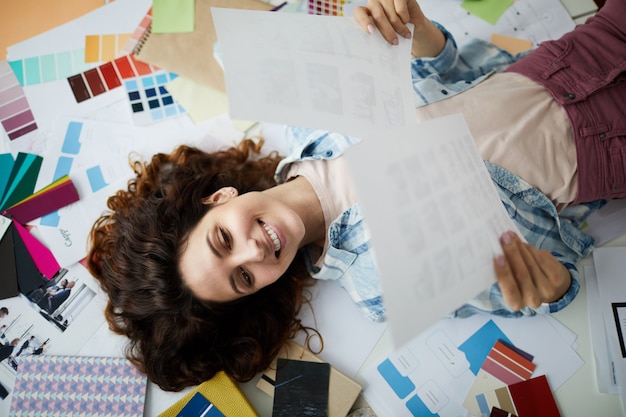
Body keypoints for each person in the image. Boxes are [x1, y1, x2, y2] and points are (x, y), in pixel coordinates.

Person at [87, 0, 625, 392]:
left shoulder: (308, 106)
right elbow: (553, 277)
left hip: (574, 54)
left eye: (223, 240)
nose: (255, 252)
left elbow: (458, 73)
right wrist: (551, 285)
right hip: (607, 154)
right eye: (243, 279)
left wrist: (419, 34)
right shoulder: (379, 286)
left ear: (218, 197)